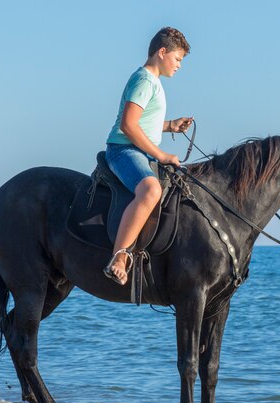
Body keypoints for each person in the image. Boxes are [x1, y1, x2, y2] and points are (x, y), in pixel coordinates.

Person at [103, 27, 193, 285]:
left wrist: (171, 125)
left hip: (139, 151)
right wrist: (161, 154)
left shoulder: (153, 82)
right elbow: (128, 126)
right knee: (151, 190)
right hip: (124, 150)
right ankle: (119, 256)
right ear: (161, 52)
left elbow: (145, 122)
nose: (179, 66)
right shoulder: (144, 80)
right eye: (177, 59)